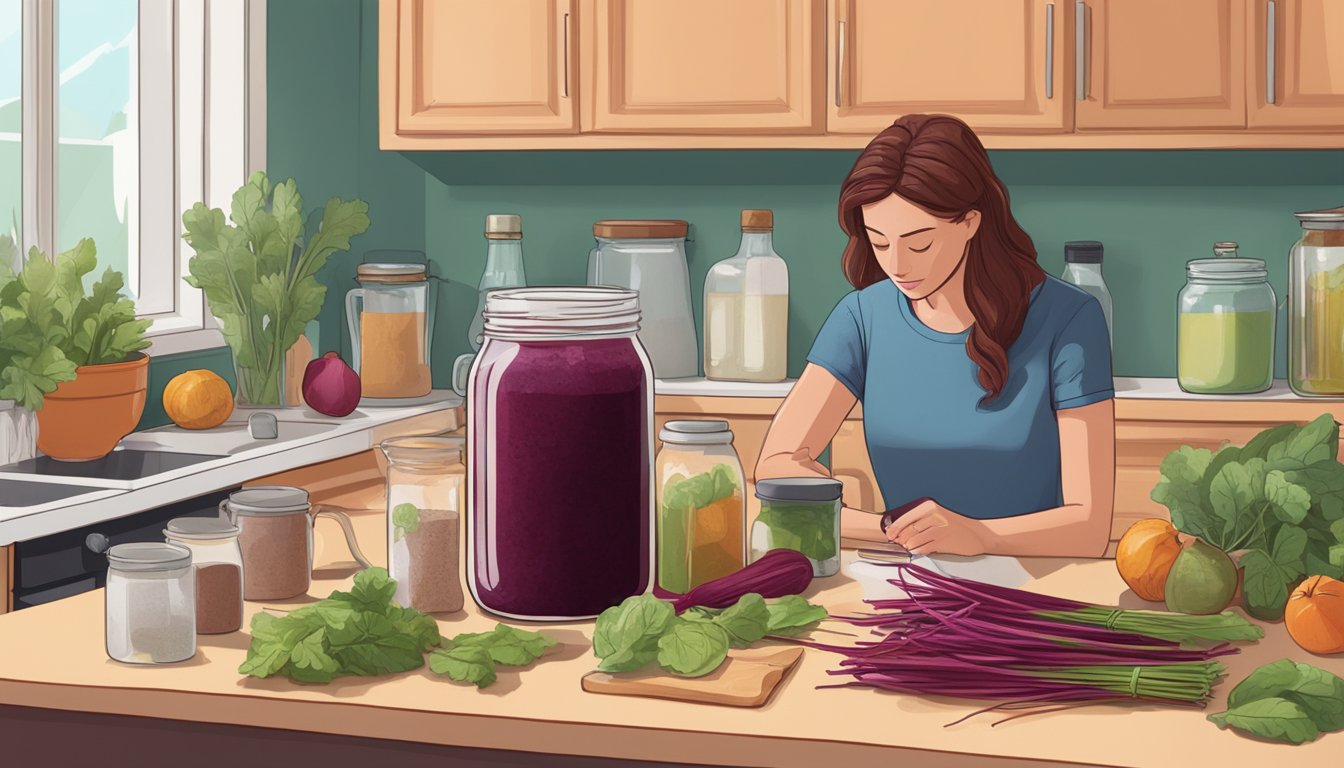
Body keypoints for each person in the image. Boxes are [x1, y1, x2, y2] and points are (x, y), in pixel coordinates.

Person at [755, 114, 1115, 558]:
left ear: (970, 222)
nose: (898, 265)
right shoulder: (863, 317)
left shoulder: (1068, 318)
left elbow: (1090, 525)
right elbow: (776, 469)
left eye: (920, 243)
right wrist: (893, 530)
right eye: (879, 242)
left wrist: (982, 537)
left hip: (1028, 585)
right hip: (908, 578)